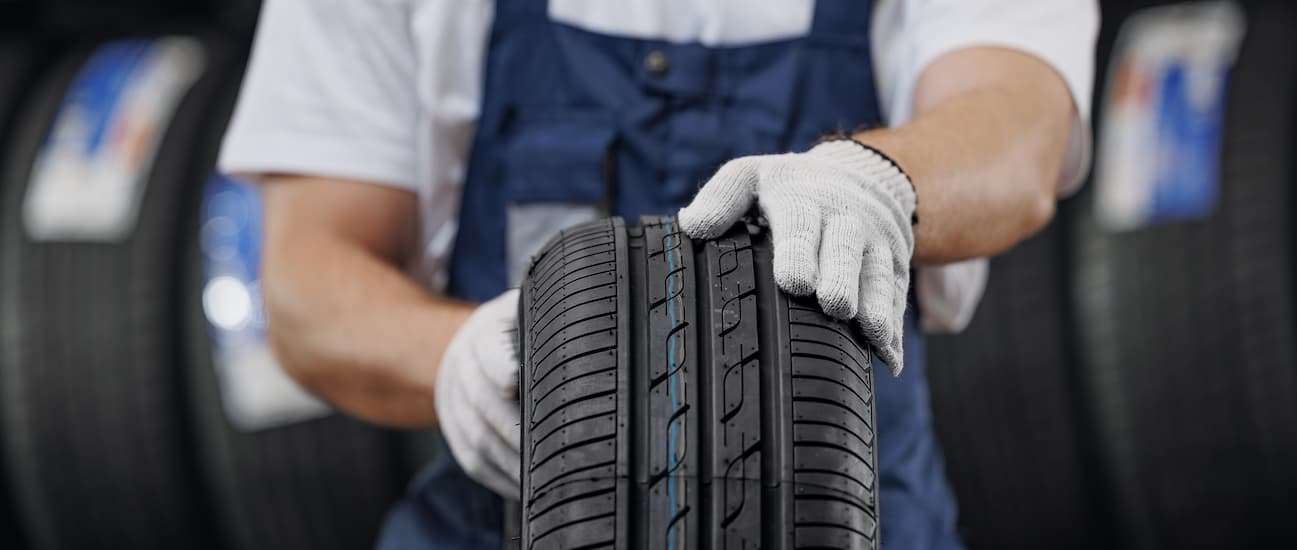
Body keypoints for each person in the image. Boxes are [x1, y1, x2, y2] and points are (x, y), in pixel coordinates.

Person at [218, 1, 1098, 548]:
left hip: (854, 522)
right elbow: (304, 277)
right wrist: (452, 356)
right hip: (506, 521)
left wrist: (876, 180)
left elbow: (1019, 126)